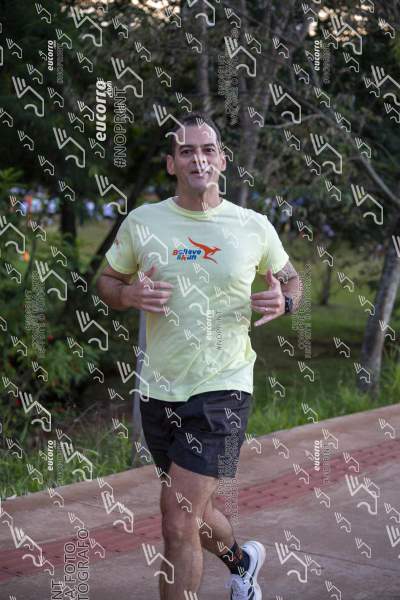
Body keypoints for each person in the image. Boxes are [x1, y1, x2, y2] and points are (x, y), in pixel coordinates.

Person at [96, 112, 303, 600]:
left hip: (225, 387)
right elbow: (107, 281)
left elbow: (293, 279)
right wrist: (127, 295)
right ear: (172, 164)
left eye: (208, 149)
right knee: (193, 512)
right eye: (186, 151)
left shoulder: (253, 226)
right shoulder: (143, 222)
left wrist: (287, 301)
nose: (199, 159)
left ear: (222, 160)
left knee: (177, 518)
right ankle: (242, 563)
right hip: (159, 389)